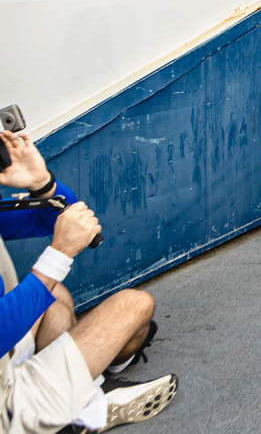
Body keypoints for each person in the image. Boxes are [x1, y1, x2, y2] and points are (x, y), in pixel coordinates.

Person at [0, 131, 177, 433]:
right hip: (8, 409)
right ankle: (83, 408)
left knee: (57, 300)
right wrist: (60, 253)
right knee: (134, 305)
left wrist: (41, 182)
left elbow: (53, 218)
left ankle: (70, 388)